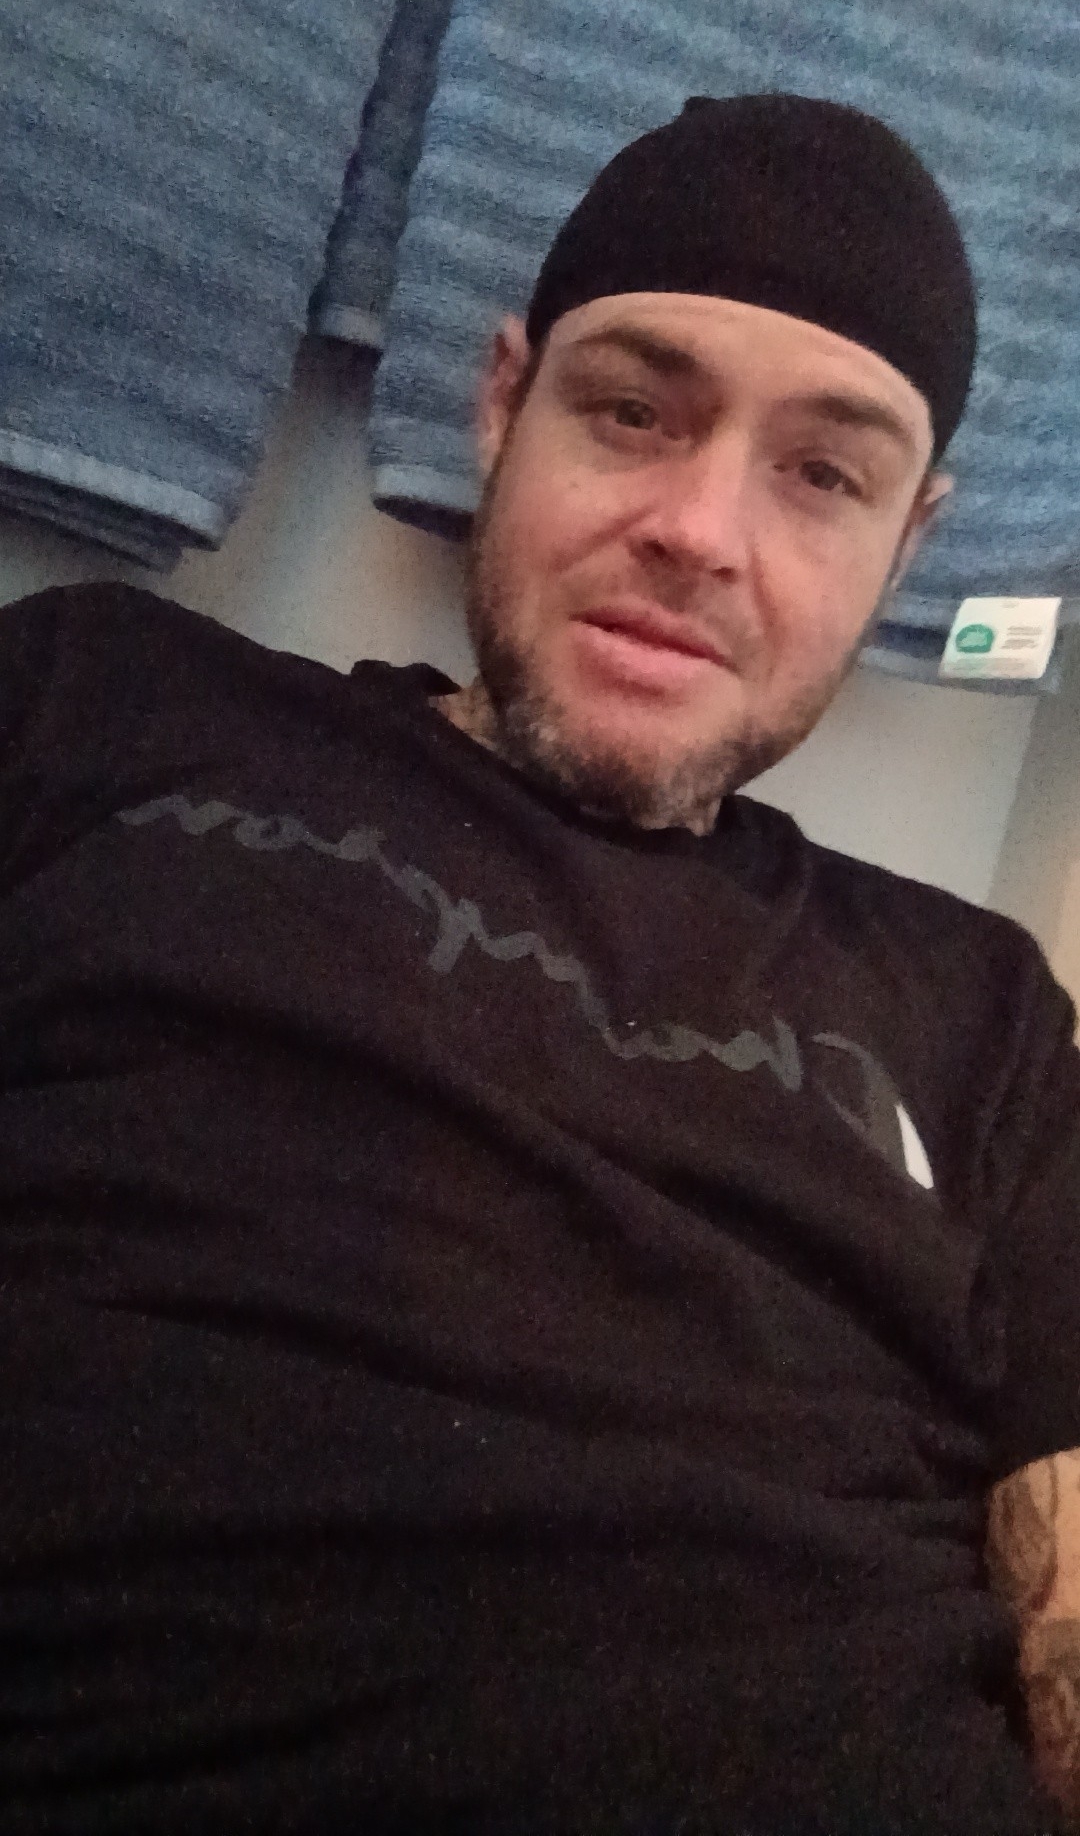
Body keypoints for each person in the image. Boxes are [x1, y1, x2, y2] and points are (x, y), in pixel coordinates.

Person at [0, 94, 1078, 1836]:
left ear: (912, 541)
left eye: (824, 473)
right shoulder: (95, 704)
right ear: (505, 405)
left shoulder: (987, 1019)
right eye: (635, 410)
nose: (701, 530)